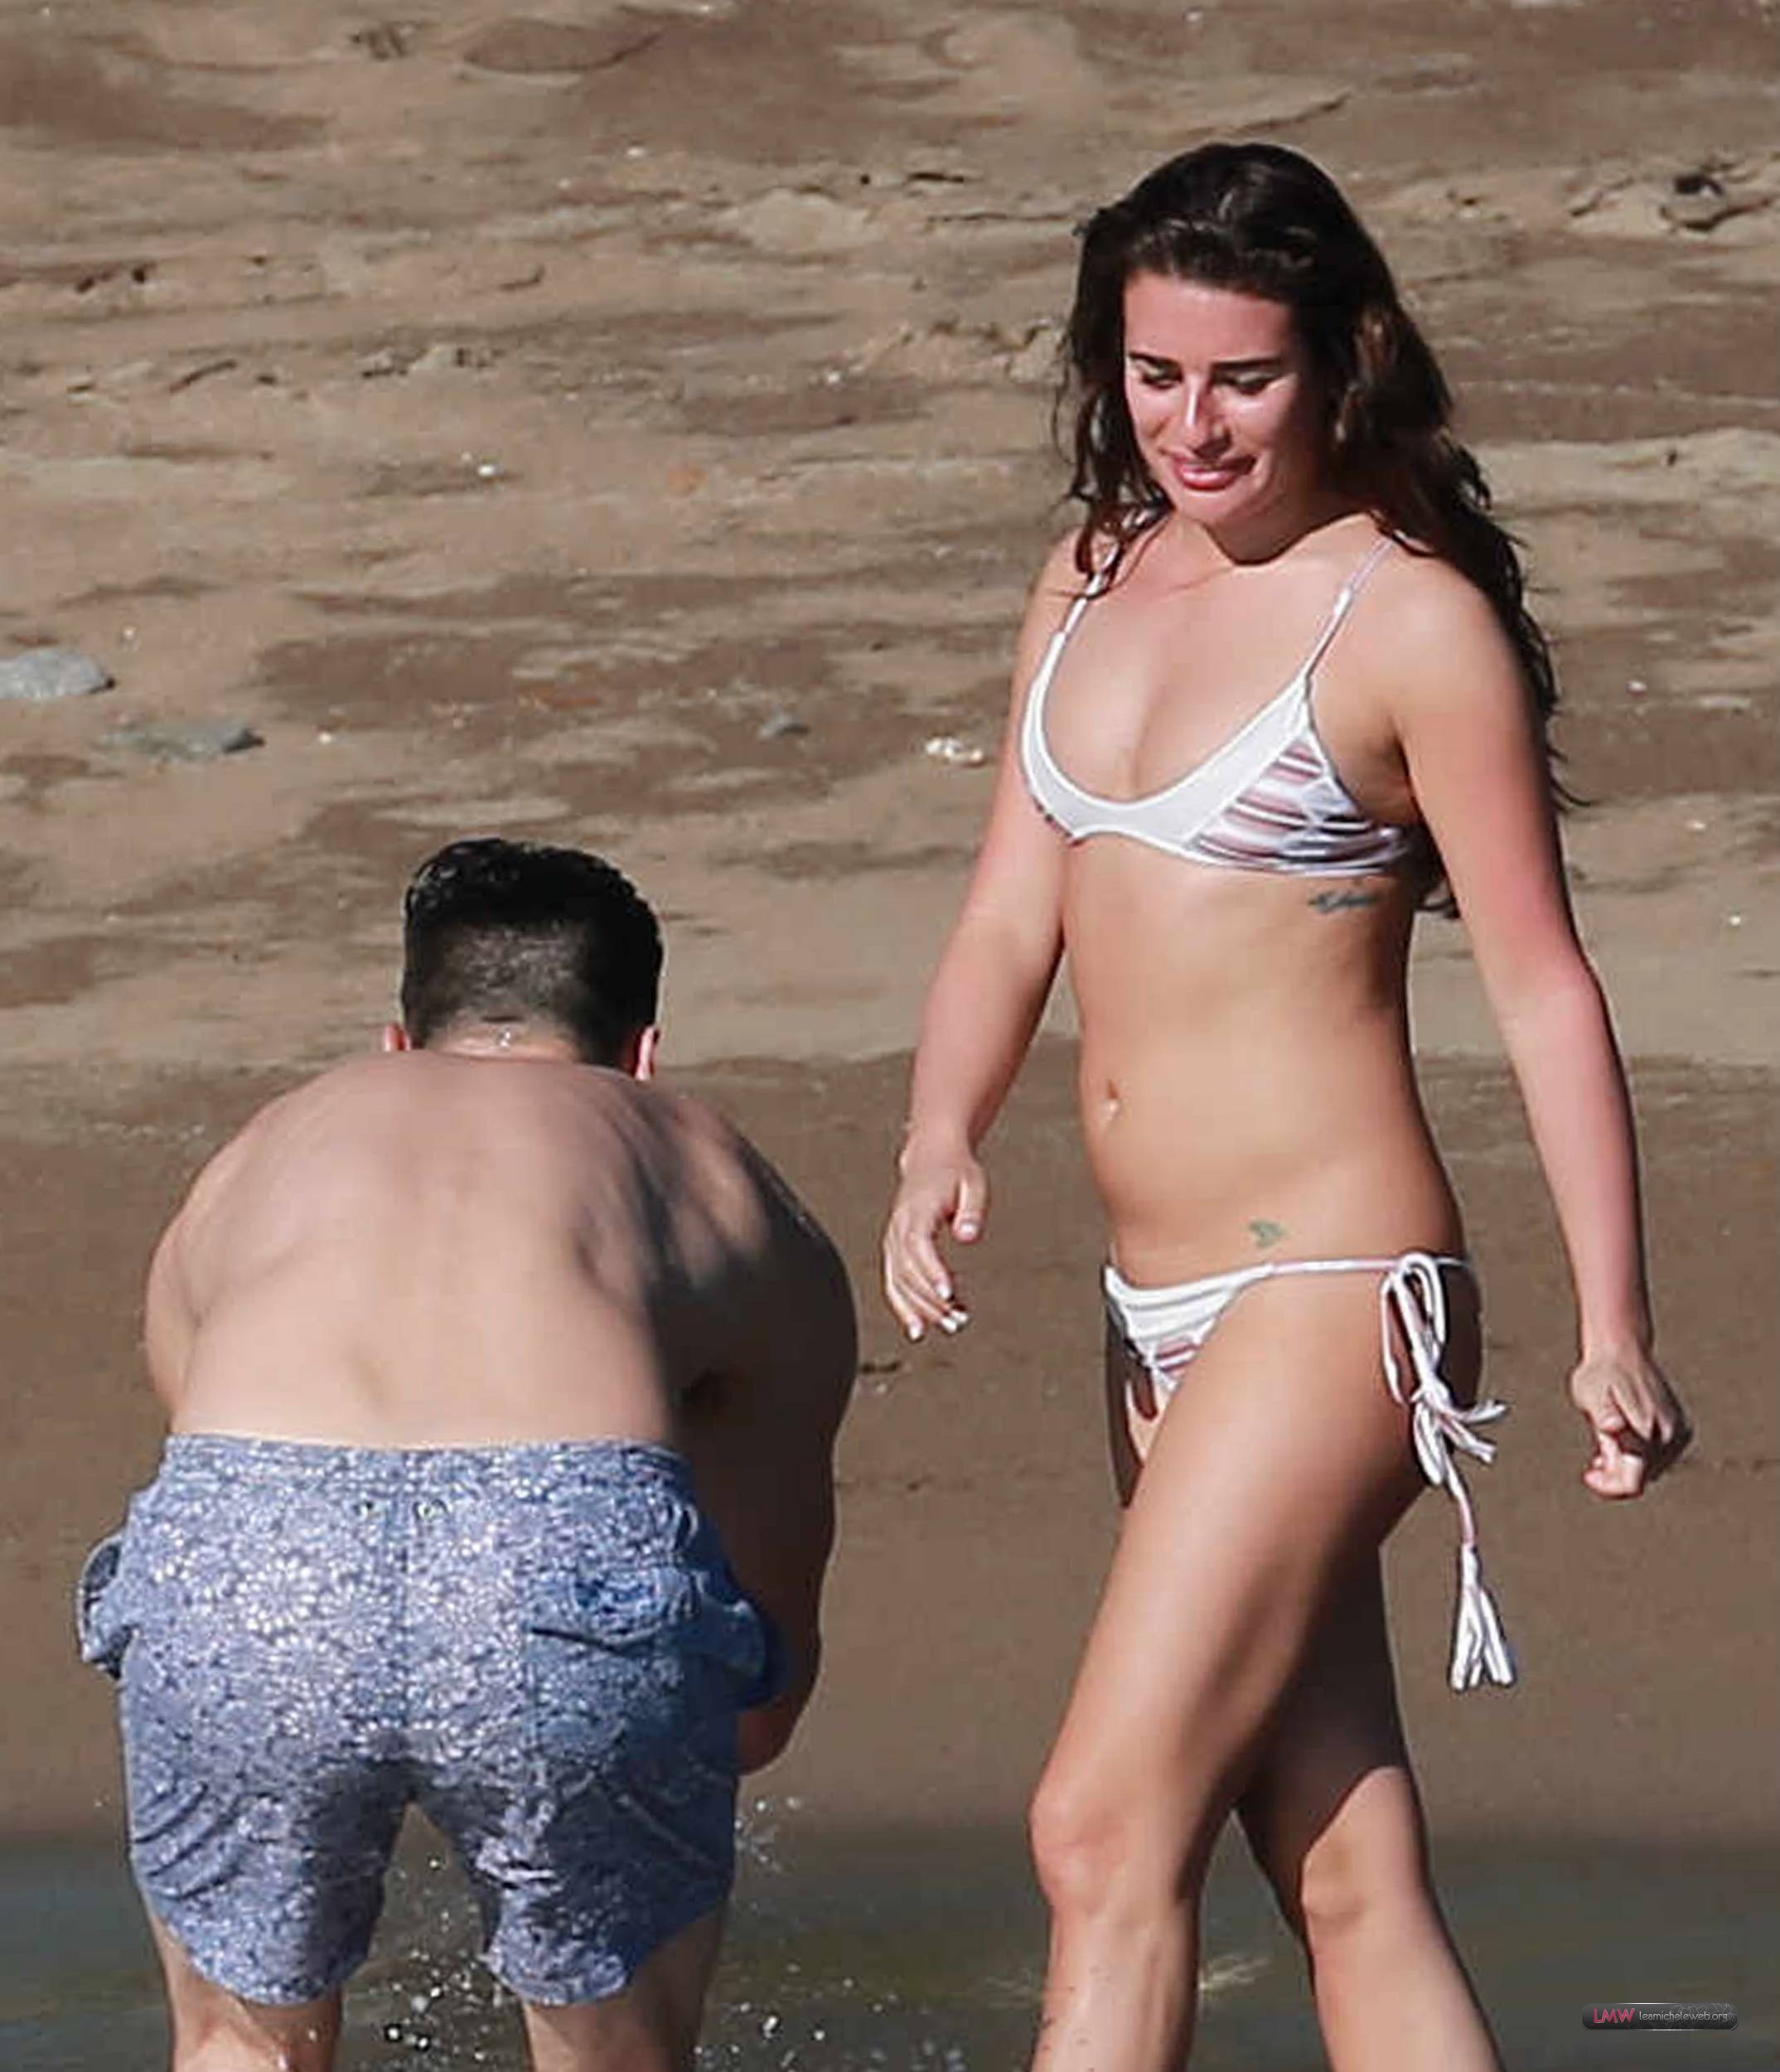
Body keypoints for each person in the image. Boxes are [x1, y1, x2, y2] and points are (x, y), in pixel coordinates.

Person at [881, 142, 1691, 2072]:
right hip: (1150, 1309)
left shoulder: (1409, 624)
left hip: (1332, 1287)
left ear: (1342, 362)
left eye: (1244, 377)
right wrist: (938, 1131)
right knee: (1337, 1863)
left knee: (1099, 1828)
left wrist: (1614, 1320)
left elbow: (1543, 982)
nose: (1195, 424)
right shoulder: (1091, 572)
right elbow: (1008, 908)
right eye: (1156, 373)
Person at [77, 837, 856, 2072]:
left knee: (236, 2041)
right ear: (643, 1057)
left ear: (397, 1043)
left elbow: (202, 1472)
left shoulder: (266, 1148)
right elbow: (764, 1686)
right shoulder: (701, 1160)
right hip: (559, 1543)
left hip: (255, 1544)